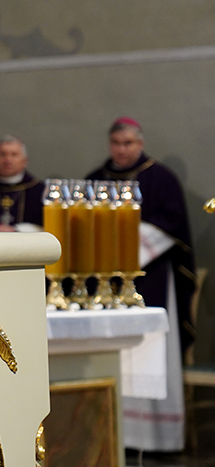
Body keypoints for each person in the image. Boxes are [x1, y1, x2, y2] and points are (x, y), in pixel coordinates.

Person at [86, 117, 195, 453]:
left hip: (150, 278)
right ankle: (110, 435)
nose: (121, 150)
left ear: (140, 143)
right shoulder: (95, 179)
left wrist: (127, 245)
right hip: (104, 281)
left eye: (128, 143)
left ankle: (155, 439)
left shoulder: (160, 178)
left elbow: (173, 226)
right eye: (116, 143)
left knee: (149, 349)